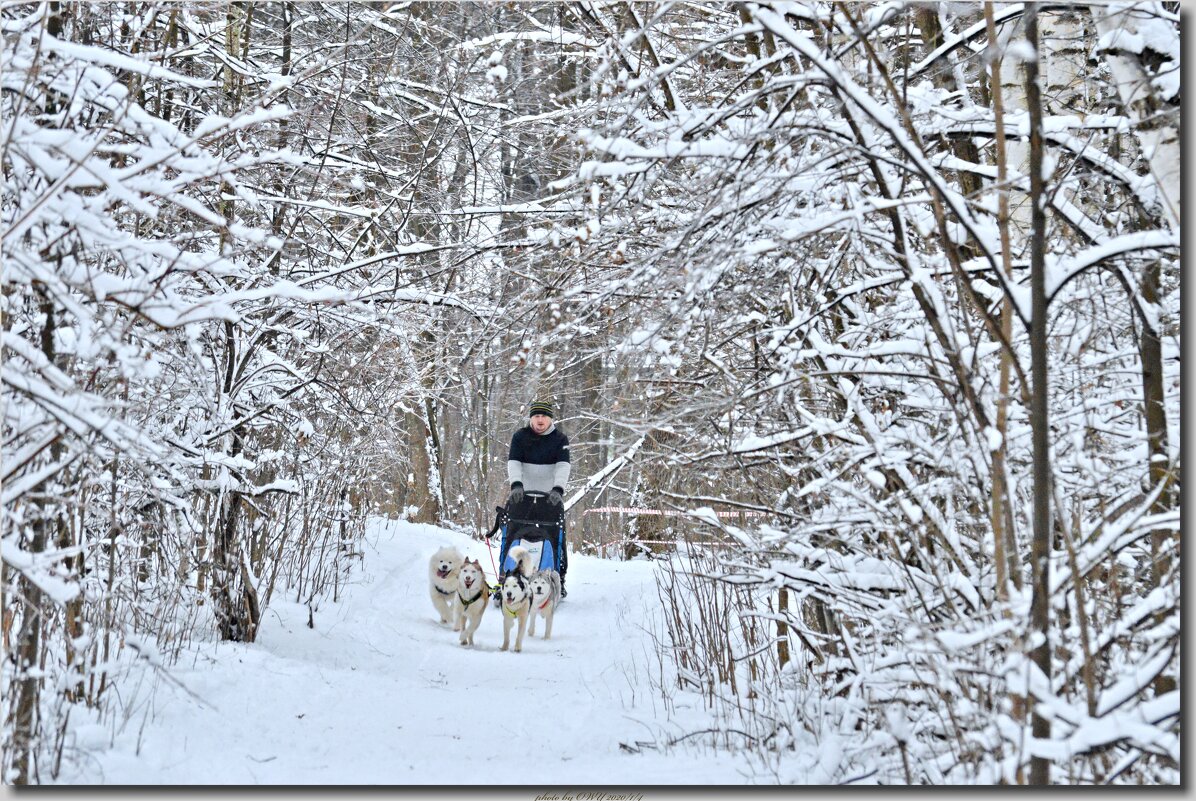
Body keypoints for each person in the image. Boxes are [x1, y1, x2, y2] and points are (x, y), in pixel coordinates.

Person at [504, 400, 571, 597]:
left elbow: (563, 466)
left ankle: (558, 577)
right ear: (531, 418)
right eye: (536, 416)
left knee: (555, 537)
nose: (540, 420)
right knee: (513, 535)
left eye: (544, 416)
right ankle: (506, 575)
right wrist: (516, 484)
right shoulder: (520, 437)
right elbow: (514, 463)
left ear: (550, 418)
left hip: (550, 499)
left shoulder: (560, 440)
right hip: (521, 497)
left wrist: (558, 489)